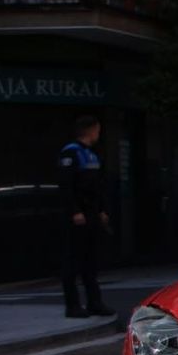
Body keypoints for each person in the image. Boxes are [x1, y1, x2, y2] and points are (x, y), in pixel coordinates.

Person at [58, 114, 112, 318]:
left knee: (90, 261)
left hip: (91, 214)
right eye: (97, 130)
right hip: (77, 216)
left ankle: (94, 302)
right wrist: (75, 211)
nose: (99, 134)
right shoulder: (71, 154)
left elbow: (97, 187)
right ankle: (72, 305)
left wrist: (101, 210)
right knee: (72, 261)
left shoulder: (92, 155)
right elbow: (66, 187)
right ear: (90, 130)